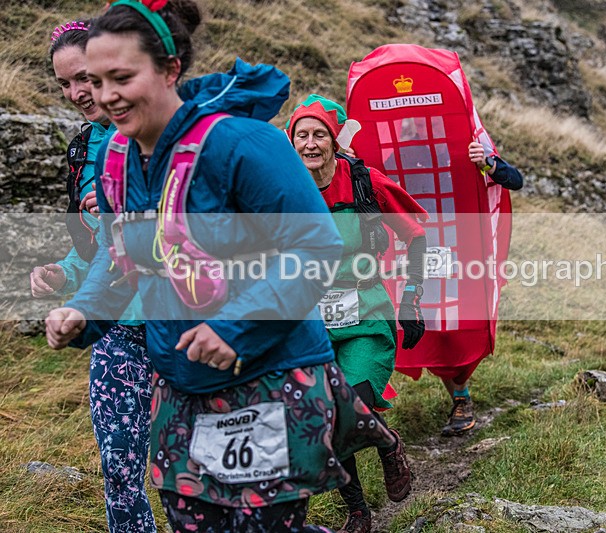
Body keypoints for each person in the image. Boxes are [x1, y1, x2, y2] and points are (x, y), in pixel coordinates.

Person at [44, 1, 393, 531]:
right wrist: (83, 310)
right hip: (180, 380)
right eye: (95, 80)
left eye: (122, 77)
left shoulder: (244, 145)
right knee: (193, 523)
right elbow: (121, 256)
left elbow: (314, 246)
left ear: (170, 69)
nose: (105, 94)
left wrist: (235, 326)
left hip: (269, 374)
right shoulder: (115, 158)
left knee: (264, 526)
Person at [29, 19, 156, 532]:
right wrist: (64, 273)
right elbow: (99, 243)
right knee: (120, 469)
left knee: (191, 473)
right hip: (116, 328)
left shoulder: (161, 133)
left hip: (183, 324)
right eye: (64, 83)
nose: (77, 93)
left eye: (83, 76)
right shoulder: (83, 150)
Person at [288, 95, 427, 533]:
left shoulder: (364, 182)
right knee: (324, 415)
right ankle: (358, 511)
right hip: (310, 326)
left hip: (366, 314)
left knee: (350, 406)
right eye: (301, 135)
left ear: (335, 141)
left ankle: (387, 443)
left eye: (319, 135)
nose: (310, 144)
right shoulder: (283, 188)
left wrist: (412, 298)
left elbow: (417, 235)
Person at [438, 142, 523, 436]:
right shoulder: (406, 146)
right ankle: (459, 398)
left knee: (460, 329)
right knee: (436, 330)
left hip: (467, 251)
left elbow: (515, 180)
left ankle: (461, 397)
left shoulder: (471, 143)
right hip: (428, 250)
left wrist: (488, 163)